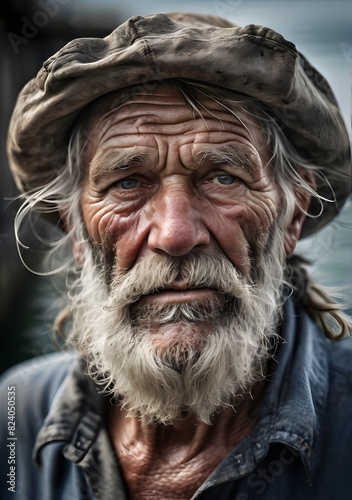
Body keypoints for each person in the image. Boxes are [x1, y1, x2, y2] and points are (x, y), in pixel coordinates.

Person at [1, 11, 351, 500]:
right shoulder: (15, 413)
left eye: (223, 177)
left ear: (293, 214)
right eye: (127, 182)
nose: (175, 233)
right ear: (75, 230)